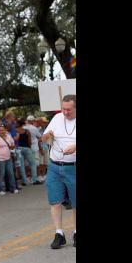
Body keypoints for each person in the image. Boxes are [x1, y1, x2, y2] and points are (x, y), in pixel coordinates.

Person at [41, 95, 76, 248]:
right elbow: (44, 139)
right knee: (55, 201)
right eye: (63, 109)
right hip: (55, 166)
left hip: (73, 167)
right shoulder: (56, 118)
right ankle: (59, 233)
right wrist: (47, 136)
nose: (65, 112)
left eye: (69, 110)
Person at [0, 125, 18, 195]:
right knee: (1, 174)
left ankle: (13, 188)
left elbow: (12, 145)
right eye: (0, 130)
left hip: (8, 157)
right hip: (0, 159)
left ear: (5, 130)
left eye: (3, 130)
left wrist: (12, 146)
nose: (2, 131)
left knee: (11, 173)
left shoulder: (9, 136)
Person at [15, 119, 42, 186]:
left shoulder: (16, 131)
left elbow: (16, 140)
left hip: (19, 149)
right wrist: (29, 147)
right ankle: (34, 180)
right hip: (27, 148)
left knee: (21, 165)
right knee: (33, 164)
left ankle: (24, 181)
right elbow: (29, 141)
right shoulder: (26, 131)